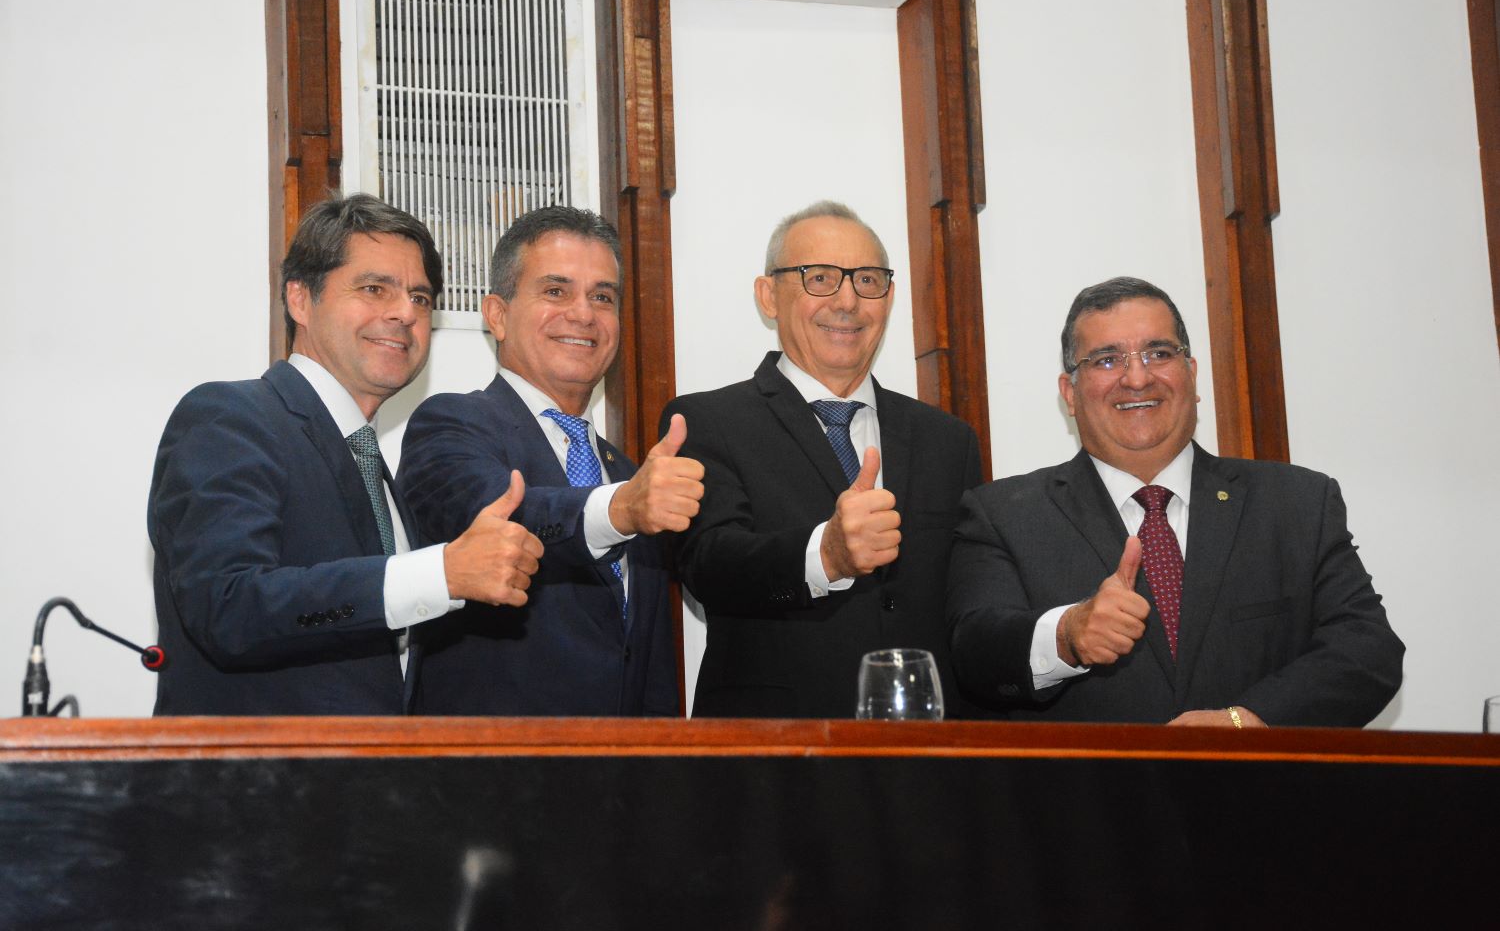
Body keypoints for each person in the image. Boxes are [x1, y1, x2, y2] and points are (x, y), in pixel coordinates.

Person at [946, 276, 1404, 726]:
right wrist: (1067, 635)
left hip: (1257, 775)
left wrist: (1248, 722)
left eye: (1159, 354)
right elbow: (974, 655)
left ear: (1192, 374)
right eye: (1107, 360)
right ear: (1070, 393)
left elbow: (1368, 650)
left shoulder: (1297, 503)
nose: (1137, 378)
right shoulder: (1004, 515)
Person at [149, 194, 543, 715]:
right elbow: (228, 607)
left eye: (421, 298)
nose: (405, 312)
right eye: (374, 288)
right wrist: (439, 573)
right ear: (300, 299)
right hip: (255, 768)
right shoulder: (230, 417)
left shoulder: (377, 472)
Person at [661, 201, 984, 718]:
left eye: (868, 280)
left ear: (889, 297)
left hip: (924, 746)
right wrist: (825, 555)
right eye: (820, 279)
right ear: (769, 295)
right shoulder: (706, 421)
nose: (848, 301)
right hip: (774, 746)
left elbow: (969, 602)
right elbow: (709, 567)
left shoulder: (948, 440)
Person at [397, 206, 698, 715]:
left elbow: (647, 660)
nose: (583, 314)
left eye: (602, 296)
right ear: (497, 315)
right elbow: (505, 521)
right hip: (495, 759)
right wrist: (619, 510)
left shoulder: (629, 474)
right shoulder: (450, 424)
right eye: (556, 291)